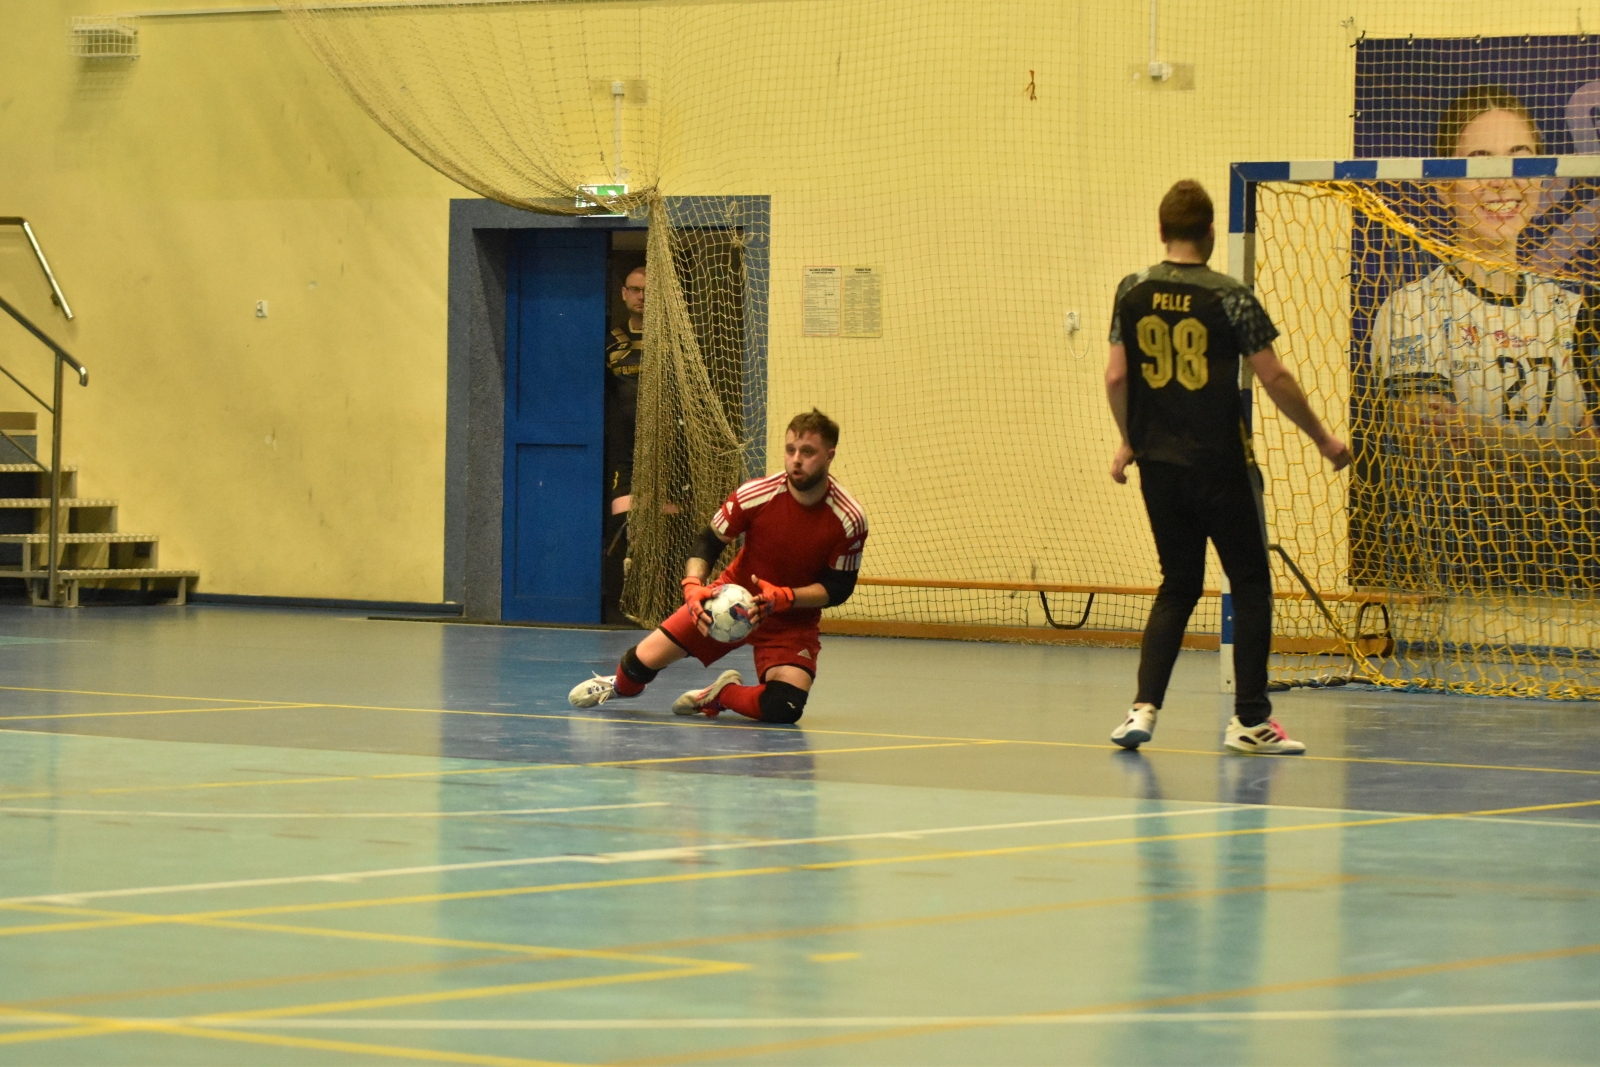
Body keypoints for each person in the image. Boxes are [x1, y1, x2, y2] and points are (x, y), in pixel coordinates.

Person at [1105, 180, 1351, 756]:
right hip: (1220, 464)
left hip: (1159, 466)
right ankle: (1250, 720)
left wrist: (1128, 441)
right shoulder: (1231, 296)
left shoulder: (1131, 289)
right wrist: (1322, 438)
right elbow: (1274, 376)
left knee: (1178, 584)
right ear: (1211, 232)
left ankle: (1142, 710)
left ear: (1162, 231)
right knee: (1251, 585)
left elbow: (1116, 376)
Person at [568, 409, 866, 723]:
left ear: (829, 455)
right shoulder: (756, 494)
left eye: (807, 452)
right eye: (790, 449)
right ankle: (619, 686)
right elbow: (708, 542)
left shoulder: (849, 519)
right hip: (727, 604)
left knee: (785, 706)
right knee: (637, 666)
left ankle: (721, 694)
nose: (796, 460)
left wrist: (786, 598)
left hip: (791, 621)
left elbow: (839, 588)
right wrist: (693, 586)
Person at [1370, 86, 1586, 444]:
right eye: (1480, 163)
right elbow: (1432, 443)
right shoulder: (1413, 309)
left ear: (1542, 178)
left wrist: (1477, 432)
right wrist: (1565, 457)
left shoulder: (1572, 311)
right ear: (1443, 184)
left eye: (1521, 161)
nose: (1501, 182)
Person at [601, 265, 646, 623]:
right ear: (624, 294)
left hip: (667, 453)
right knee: (623, 524)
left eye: (648, 291)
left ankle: (662, 603)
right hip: (625, 454)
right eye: (635, 289)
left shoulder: (672, 342)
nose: (641, 296)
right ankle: (621, 608)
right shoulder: (611, 343)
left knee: (666, 527)